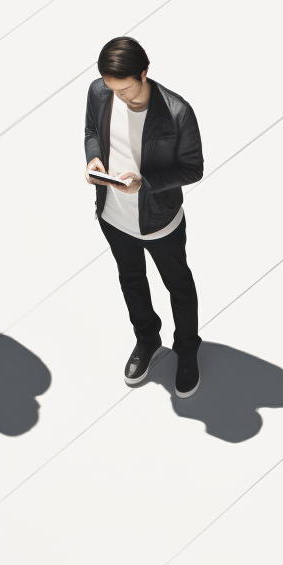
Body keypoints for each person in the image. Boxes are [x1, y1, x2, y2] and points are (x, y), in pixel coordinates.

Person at [84, 36, 204, 398]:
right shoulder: (99, 92)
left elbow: (193, 168)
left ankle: (186, 350)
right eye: (112, 89)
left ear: (144, 73)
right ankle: (147, 340)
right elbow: (92, 131)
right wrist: (94, 159)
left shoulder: (177, 111)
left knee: (178, 287)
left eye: (126, 89)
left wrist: (146, 183)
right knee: (131, 280)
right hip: (112, 215)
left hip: (159, 221)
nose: (119, 96)